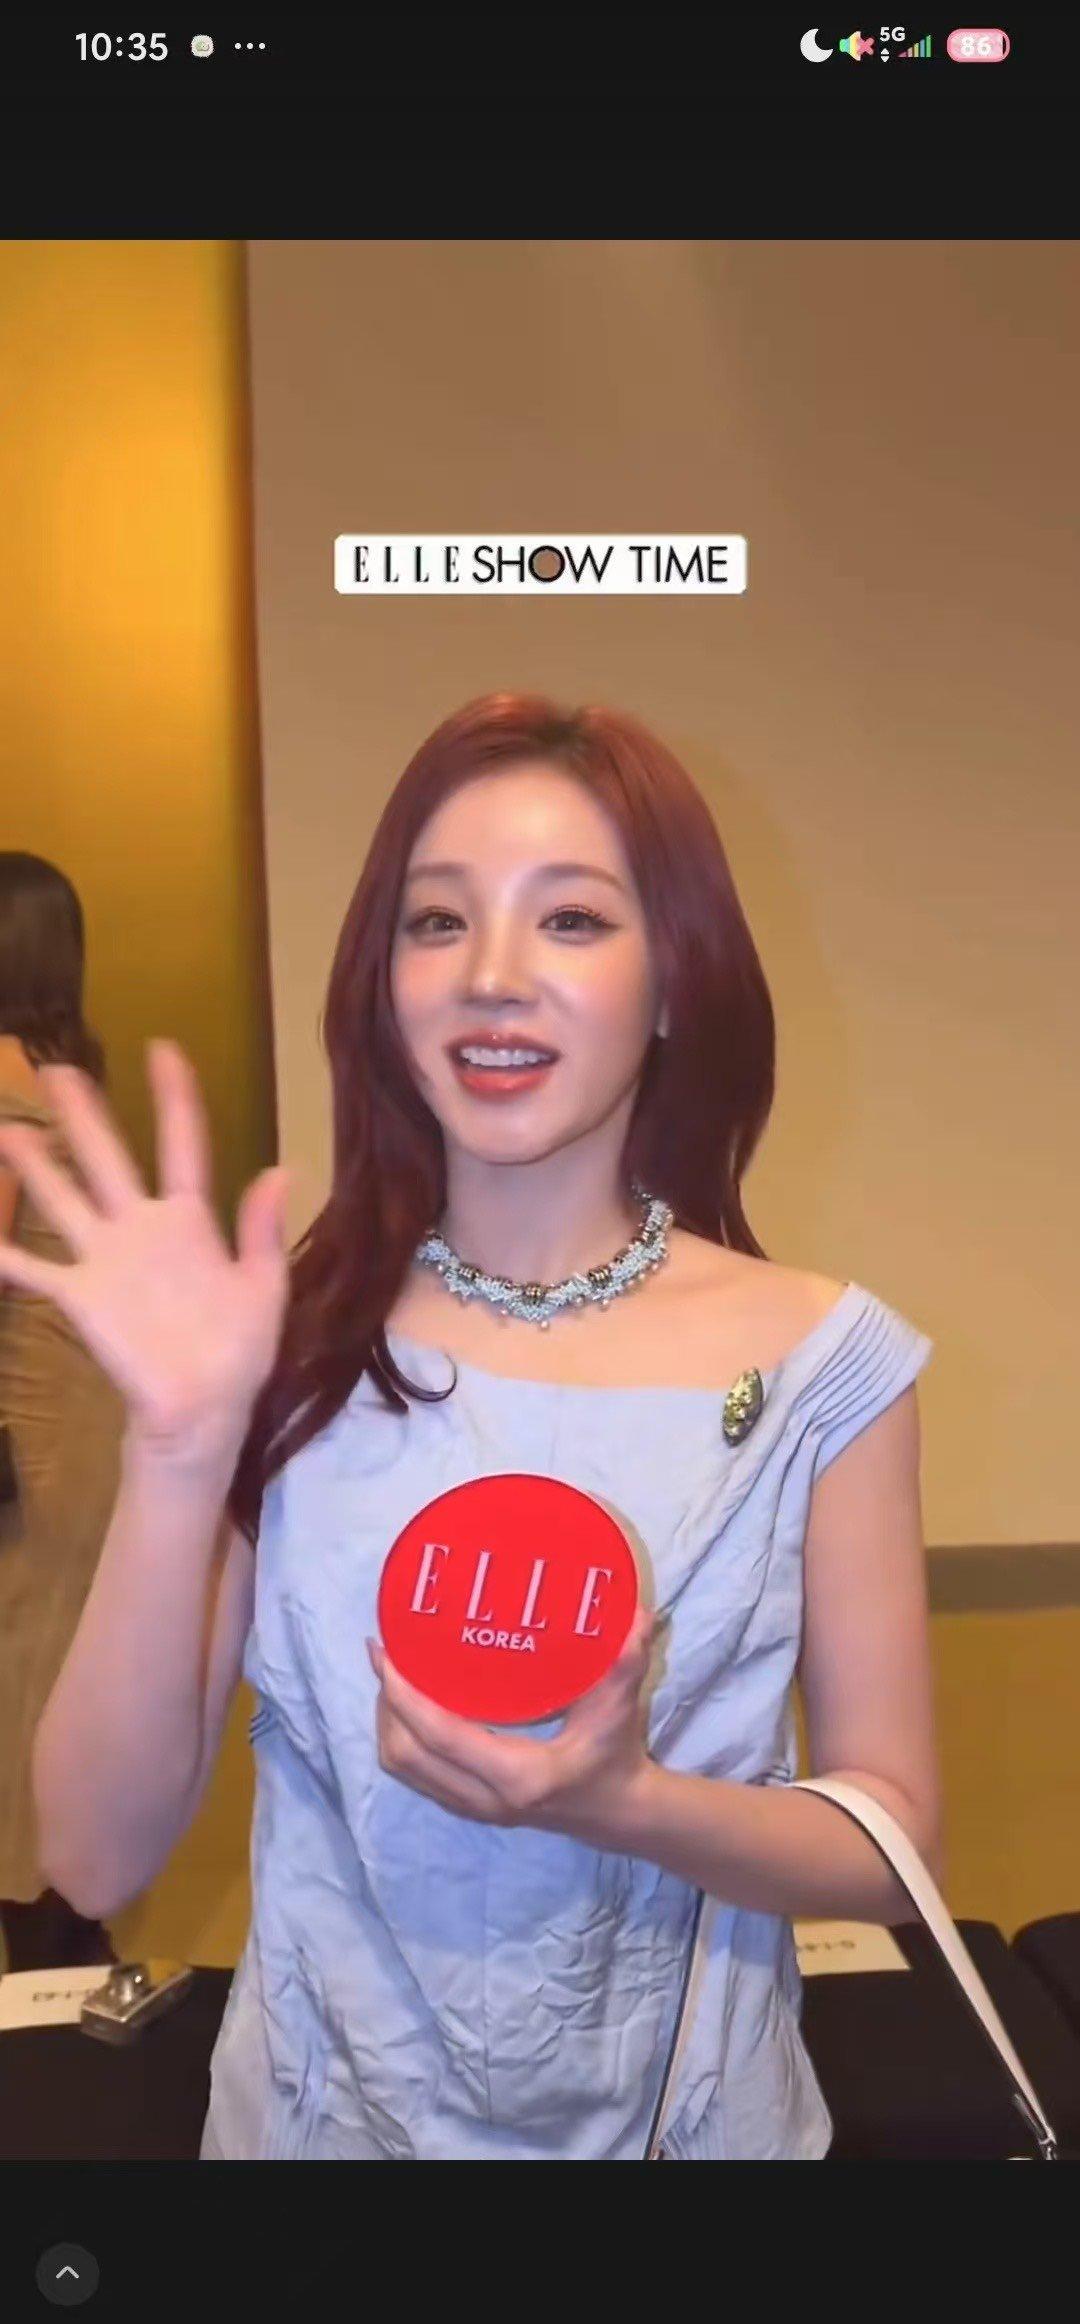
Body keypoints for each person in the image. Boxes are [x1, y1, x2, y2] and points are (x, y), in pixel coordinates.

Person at [0, 692, 941, 2157]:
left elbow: (891, 1842)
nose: (493, 978)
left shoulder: (826, 1364)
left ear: (674, 980)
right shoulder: (287, 1340)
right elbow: (94, 1853)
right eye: (437, 922)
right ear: (385, 983)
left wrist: (628, 1802)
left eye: (571, 919)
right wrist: (179, 1450)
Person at [0, 855, 123, 1972]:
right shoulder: (62, 1078)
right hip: (82, 1425)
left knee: (21, 1672)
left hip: (26, 1431)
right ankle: (68, 1914)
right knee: (52, 1665)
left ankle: (41, 1926)